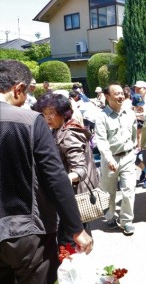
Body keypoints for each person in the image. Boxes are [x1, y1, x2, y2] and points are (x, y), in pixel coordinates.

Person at [0, 60, 93, 284]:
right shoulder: (30, 121)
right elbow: (55, 177)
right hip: (28, 232)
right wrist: (76, 228)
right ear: (18, 88)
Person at [33, 93, 100, 247]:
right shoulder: (58, 129)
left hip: (74, 194)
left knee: (71, 240)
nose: (48, 118)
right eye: (44, 114)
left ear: (63, 113)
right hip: (70, 193)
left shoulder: (69, 133)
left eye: (51, 113)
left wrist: (66, 179)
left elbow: (80, 168)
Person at [95, 84, 138, 235]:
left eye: (122, 93)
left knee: (129, 190)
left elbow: (134, 134)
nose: (121, 96)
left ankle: (127, 221)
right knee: (109, 192)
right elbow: (101, 140)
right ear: (107, 97)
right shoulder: (101, 116)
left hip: (128, 157)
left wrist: (133, 150)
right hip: (110, 159)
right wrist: (109, 158)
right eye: (116, 94)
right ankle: (110, 217)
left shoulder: (130, 113)